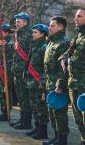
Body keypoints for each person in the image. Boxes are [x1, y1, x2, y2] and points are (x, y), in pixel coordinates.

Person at [58, 8, 85, 145]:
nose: (76, 19)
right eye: (76, 16)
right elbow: (68, 52)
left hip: (83, 85)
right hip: (74, 83)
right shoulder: (78, 36)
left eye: (79, 16)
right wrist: (63, 59)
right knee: (77, 116)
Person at [42, 16, 70, 145]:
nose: (49, 27)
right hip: (50, 82)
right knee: (52, 112)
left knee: (60, 113)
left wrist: (60, 85)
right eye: (49, 25)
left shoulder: (63, 43)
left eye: (52, 25)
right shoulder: (52, 42)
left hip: (59, 84)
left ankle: (62, 140)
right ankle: (56, 137)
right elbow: (47, 65)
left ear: (60, 27)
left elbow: (64, 68)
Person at [24, 24, 49, 139]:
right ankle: (37, 127)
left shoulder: (44, 47)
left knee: (41, 106)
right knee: (34, 105)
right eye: (33, 32)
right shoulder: (34, 45)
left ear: (42, 34)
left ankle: (43, 130)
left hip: (39, 82)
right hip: (31, 81)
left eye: (35, 32)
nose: (33, 34)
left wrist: (43, 81)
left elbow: (46, 67)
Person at [10, 13, 33, 129]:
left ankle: (27, 121)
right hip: (17, 70)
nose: (16, 23)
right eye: (16, 21)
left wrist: (27, 69)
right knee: (20, 96)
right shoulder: (18, 34)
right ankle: (22, 118)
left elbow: (30, 53)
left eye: (18, 21)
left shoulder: (30, 34)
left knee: (25, 96)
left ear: (25, 22)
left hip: (25, 70)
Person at [0, 24, 14, 121]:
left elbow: (13, 53)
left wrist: (6, 46)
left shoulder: (11, 42)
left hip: (6, 70)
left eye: (1, 31)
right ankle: (3, 110)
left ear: (6, 32)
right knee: (0, 91)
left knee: (5, 91)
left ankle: (6, 112)